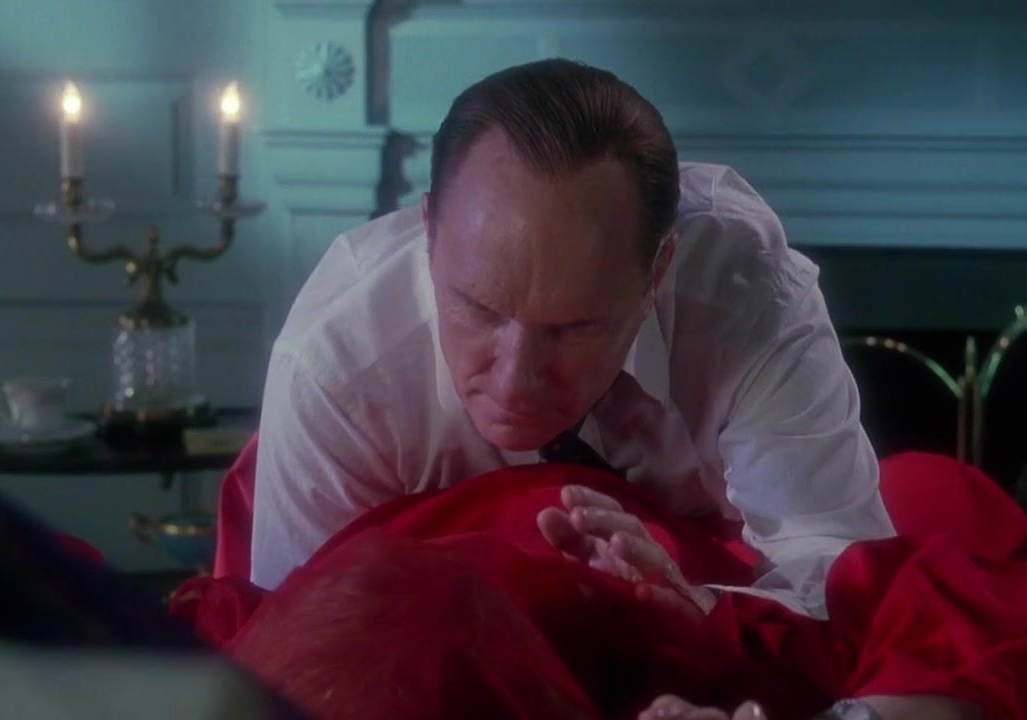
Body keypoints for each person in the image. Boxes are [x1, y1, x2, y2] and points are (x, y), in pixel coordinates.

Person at [250, 58, 975, 719]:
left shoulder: (747, 296)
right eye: (478, 310)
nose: (514, 382)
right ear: (431, 232)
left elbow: (840, 577)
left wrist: (700, 606)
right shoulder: (336, 363)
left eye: (574, 328)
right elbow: (296, 656)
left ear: (658, 272)